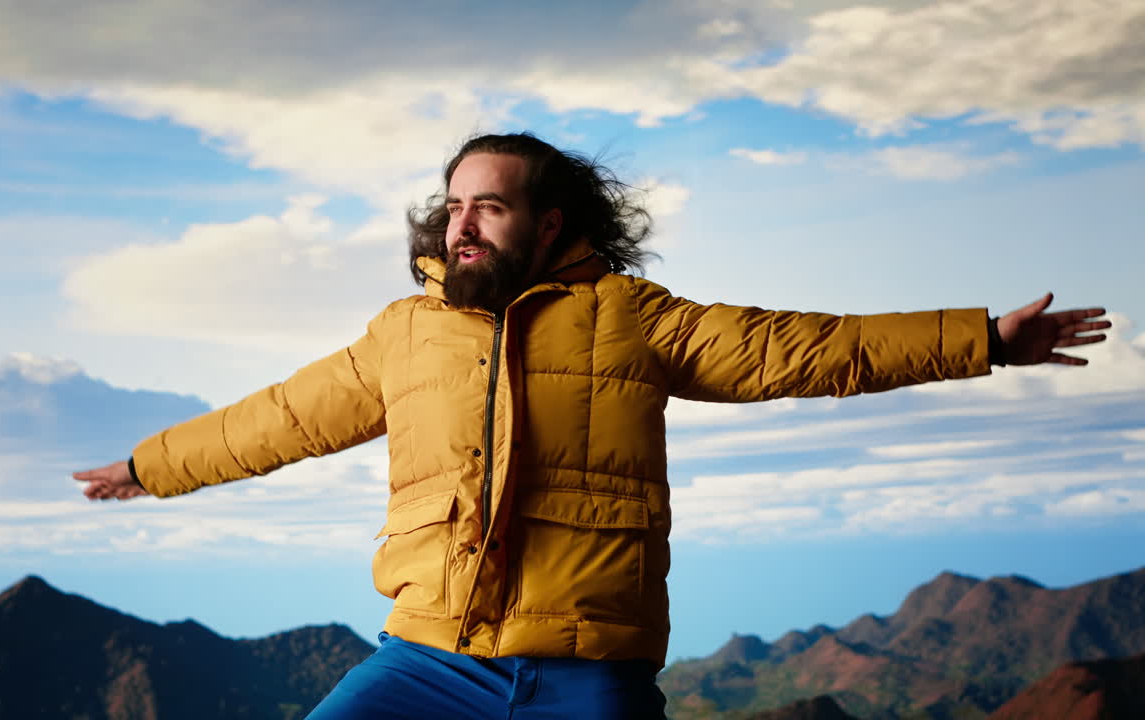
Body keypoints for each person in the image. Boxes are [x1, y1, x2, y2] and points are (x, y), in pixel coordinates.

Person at [73, 133, 1111, 719]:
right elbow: (279, 419)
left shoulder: (631, 319)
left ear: (550, 222)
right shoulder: (406, 335)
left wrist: (978, 338)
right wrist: (146, 466)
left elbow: (804, 348)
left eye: (486, 206)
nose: (460, 224)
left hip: (588, 675)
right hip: (425, 662)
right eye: (450, 207)